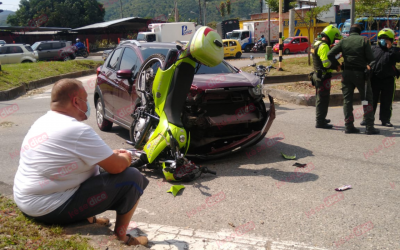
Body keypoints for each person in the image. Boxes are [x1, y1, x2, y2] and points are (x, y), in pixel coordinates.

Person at [13, 78, 149, 246]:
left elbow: (73, 159)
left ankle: (89, 219)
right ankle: (122, 237)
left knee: (95, 168)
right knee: (132, 177)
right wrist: (126, 157)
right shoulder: (77, 130)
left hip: (27, 201)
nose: (88, 104)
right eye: (85, 99)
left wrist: (110, 155)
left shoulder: (42, 121)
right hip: (48, 207)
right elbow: (118, 166)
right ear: (76, 101)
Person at [328, 24, 379, 135]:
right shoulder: (364, 40)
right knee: (366, 100)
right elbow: (371, 59)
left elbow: (330, 54)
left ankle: (349, 126)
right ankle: (369, 127)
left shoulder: (343, 41)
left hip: (346, 75)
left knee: (347, 101)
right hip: (361, 75)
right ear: (359, 32)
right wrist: (369, 66)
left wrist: (338, 65)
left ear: (350, 32)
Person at [362, 28, 400, 127]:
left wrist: (390, 48)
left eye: (386, 38)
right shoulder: (373, 48)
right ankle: (367, 118)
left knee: (387, 101)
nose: (383, 40)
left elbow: (398, 58)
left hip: (388, 80)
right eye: (382, 38)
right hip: (374, 78)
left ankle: (385, 119)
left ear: (391, 40)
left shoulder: (395, 50)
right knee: (370, 100)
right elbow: (365, 59)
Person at [311, 25, 342, 129]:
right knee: (322, 99)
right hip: (323, 77)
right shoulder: (324, 46)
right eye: (335, 38)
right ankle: (320, 121)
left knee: (321, 98)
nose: (334, 40)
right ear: (331, 36)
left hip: (317, 75)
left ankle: (322, 118)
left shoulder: (316, 43)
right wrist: (336, 66)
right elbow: (326, 64)